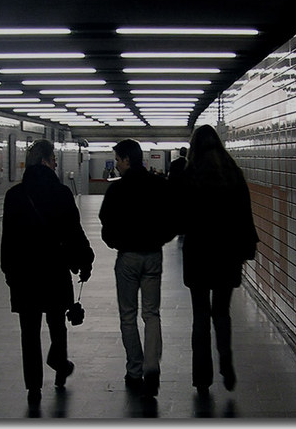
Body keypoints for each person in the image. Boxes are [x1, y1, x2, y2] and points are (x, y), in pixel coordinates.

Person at [0, 139, 95, 406]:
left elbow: (8, 238)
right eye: (53, 158)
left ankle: (33, 387)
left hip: (24, 275)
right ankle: (59, 363)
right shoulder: (61, 193)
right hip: (54, 271)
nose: (55, 162)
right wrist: (84, 261)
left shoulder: (15, 195)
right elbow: (73, 232)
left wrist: (8, 270)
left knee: (28, 331)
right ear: (44, 160)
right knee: (56, 323)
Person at [176, 125, 259, 397]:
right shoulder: (233, 175)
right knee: (222, 313)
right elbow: (245, 214)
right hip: (227, 256)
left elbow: (180, 217)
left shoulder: (190, 176)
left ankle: (202, 379)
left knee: (200, 316)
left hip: (198, 256)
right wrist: (247, 248)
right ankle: (226, 363)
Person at [98, 139, 174, 398]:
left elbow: (105, 221)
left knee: (128, 316)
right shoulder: (159, 185)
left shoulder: (117, 191)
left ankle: (135, 369)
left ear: (128, 159)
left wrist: (116, 242)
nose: (116, 165)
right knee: (151, 314)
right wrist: (160, 239)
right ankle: (152, 365)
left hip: (128, 257)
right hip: (153, 255)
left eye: (118, 160)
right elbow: (174, 217)